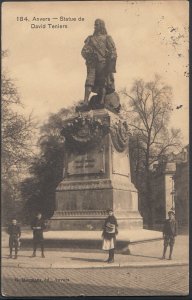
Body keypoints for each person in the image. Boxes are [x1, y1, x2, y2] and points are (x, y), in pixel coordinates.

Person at [81, 19, 117, 104]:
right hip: (92, 64)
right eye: (95, 25)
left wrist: (110, 64)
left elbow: (113, 51)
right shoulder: (90, 39)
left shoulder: (107, 38)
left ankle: (101, 101)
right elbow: (83, 51)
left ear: (101, 26)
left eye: (97, 25)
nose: (95, 26)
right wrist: (89, 55)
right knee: (89, 81)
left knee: (102, 82)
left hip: (103, 64)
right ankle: (85, 101)